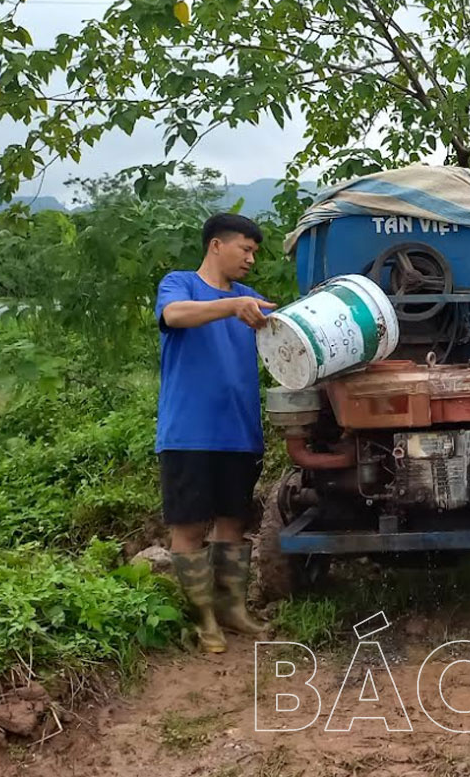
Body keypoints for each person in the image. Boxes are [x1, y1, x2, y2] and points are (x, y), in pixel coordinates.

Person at [155, 212, 278, 653]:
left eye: (253, 253)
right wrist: (230, 307)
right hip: (188, 432)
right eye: (244, 249)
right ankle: (204, 618)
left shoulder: (250, 299)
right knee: (188, 526)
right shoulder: (181, 284)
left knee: (233, 522)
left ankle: (233, 609)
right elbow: (175, 315)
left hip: (240, 432)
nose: (249, 259)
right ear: (216, 246)